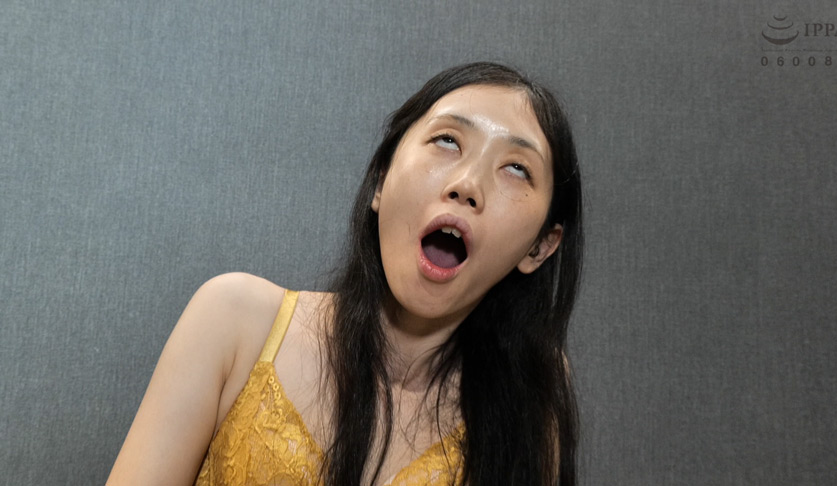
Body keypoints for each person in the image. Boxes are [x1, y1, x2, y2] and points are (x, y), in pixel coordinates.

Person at [107, 61, 583, 486]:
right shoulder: (233, 320)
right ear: (381, 181)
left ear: (540, 246)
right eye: (447, 141)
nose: (468, 184)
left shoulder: (532, 394)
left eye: (516, 169)